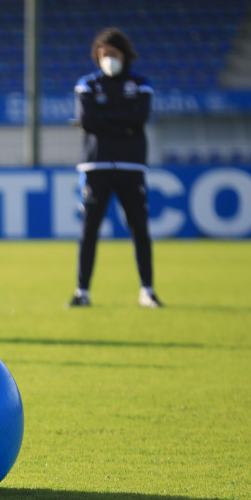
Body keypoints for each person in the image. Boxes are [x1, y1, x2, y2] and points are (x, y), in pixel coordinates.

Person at [67, 27, 162, 308]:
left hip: (131, 166)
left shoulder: (140, 84)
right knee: (89, 230)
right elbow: (89, 120)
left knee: (139, 229)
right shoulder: (87, 84)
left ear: (125, 55)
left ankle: (147, 290)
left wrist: (103, 118)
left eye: (113, 54)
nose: (108, 59)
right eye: (103, 54)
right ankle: (82, 291)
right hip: (95, 166)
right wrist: (122, 123)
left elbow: (139, 118)